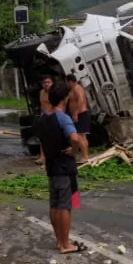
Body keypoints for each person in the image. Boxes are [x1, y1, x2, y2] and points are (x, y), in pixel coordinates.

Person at [35, 82, 85, 254]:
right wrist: (74, 149)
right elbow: (75, 138)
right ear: (65, 99)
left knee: (55, 204)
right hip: (64, 166)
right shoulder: (63, 118)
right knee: (65, 205)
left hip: (51, 166)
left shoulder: (42, 118)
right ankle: (65, 244)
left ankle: (59, 240)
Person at [65, 74, 90, 163]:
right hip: (78, 114)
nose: (66, 84)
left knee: (80, 136)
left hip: (80, 114)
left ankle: (85, 157)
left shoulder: (77, 88)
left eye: (66, 82)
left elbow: (81, 100)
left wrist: (75, 113)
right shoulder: (72, 90)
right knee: (81, 136)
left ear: (70, 81)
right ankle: (83, 155)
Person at [35, 75, 54, 166]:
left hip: (52, 116)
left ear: (52, 83)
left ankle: (51, 157)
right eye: (44, 82)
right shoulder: (41, 92)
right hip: (43, 115)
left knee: (52, 137)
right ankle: (42, 156)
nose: (46, 84)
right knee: (42, 138)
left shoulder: (54, 93)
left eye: (48, 82)